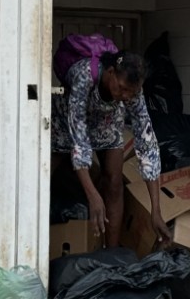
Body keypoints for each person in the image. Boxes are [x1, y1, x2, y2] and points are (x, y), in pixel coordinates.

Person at [51, 50, 172, 250]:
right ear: (110, 72)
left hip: (106, 121)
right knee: (46, 177)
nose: (124, 96)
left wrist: (155, 211)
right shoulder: (85, 77)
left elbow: (147, 143)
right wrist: (93, 195)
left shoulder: (132, 92)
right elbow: (78, 141)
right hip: (67, 123)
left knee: (114, 183)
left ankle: (112, 254)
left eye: (131, 93)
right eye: (121, 88)